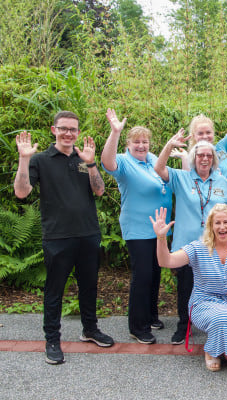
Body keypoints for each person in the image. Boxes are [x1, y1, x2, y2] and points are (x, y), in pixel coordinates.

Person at [13, 111, 114, 365]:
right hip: (57, 237)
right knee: (54, 290)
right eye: (63, 128)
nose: (69, 133)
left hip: (88, 233)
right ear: (53, 130)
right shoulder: (40, 160)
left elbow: (100, 191)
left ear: (78, 132)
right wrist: (24, 159)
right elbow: (22, 192)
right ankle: (52, 340)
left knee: (89, 285)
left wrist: (91, 164)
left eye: (73, 129)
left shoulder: (83, 158)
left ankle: (90, 329)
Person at [154, 131, 227, 345]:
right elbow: (158, 169)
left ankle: (219, 321)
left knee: (218, 285)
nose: (204, 159)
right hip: (187, 245)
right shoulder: (181, 177)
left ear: (213, 159)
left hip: (217, 247)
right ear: (193, 158)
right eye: (200, 155)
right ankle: (184, 324)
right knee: (185, 287)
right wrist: (169, 145)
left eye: (208, 155)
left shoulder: (222, 181)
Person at [150, 205, 227, 371]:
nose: (222, 227)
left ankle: (223, 343)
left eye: (226, 222)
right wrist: (161, 238)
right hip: (204, 302)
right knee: (223, 317)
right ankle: (211, 351)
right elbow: (166, 262)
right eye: (217, 223)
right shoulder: (198, 247)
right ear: (210, 226)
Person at [100, 109, 173, 344]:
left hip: (159, 229)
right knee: (142, 275)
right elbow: (106, 162)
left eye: (145, 141)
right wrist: (115, 132)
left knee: (155, 272)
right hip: (138, 228)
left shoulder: (152, 159)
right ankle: (137, 326)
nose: (141, 146)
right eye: (136, 142)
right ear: (128, 144)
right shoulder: (123, 162)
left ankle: (151, 315)